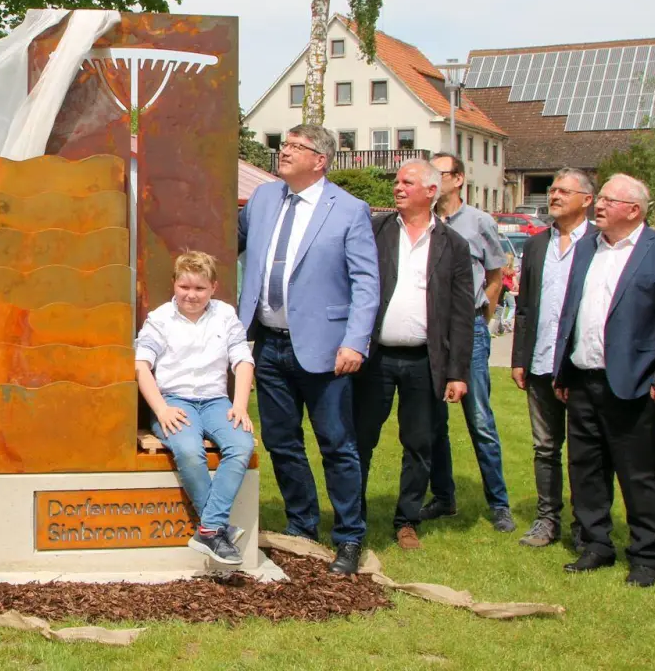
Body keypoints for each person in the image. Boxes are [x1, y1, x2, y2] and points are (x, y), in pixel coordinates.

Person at [237, 124, 379, 575]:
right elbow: (231, 245)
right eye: (284, 145)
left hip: (326, 348)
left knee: (337, 445)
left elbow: (366, 282)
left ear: (320, 160)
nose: (284, 152)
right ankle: (302, 526)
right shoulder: (262, 199)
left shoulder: (349, 210)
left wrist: (355, 340)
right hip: (269, 343)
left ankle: (350, 536)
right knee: (282, 442)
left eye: (296, 147)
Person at [553, 174, 655, 587]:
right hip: (584, 376)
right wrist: (563, 367)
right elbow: (572, 311)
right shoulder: (588, 247)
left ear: (635, 210)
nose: (599, 205)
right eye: (600, 198)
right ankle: (596, 543)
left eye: (609, 199)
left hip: (632, 381)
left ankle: (646, 556)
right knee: (586, 466)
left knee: (638, 472)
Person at [353, 160, 472, 550]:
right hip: (376, 358)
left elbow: (460, 314)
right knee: (360, 438)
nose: (397, 187)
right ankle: (351, 515)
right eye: (397, 181)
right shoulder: (376, 231)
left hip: (425, 362)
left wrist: (457, 372)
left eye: (407, 182)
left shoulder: (453, 245)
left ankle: (407, 520)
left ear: (431, 191)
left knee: (419, 443)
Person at [135, 250, 256, 564]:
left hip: (216, 402)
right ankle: (217, 529)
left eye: (200, 289)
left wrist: (240, 406)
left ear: (213, 287)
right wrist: (161, 409)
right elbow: (141, 366)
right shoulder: (159, 319)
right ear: (174, 283)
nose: (191, 295)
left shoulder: (225, 315)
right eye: (185, 287)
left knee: (241, 445)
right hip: (174, 402)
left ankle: (209, 529)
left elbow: (243, 361)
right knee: (189, 451)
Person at [424, 152, 513, 533]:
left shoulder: (479, 223)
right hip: (430, 333)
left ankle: (499, 504)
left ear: (458, 179)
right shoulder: (423, 223)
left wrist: (483, 319)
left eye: (440, 174)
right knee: (432, 422)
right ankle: (444, 497)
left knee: (479, 420)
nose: (434, 180)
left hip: (470, 329)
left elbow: (496, 274)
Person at [509, 169, 594, 548]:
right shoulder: (539, 244)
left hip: (578, 366)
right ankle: (547, 519)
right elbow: (524, 306)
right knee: (545, 447)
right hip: (540, 363)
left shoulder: (597, 244)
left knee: (584, 450)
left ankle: (586, 525)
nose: (554, 195)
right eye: (553, 189)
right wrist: (519, 357)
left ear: (587, 199)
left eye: (563, 190)